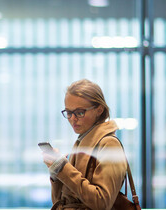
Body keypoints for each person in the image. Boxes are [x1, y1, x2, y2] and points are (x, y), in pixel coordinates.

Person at [42, 79, 127, 210]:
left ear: (99, 110)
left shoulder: (108, 144)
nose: (72, 119)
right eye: (69, 113)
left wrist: (63, 168)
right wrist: (56, 172)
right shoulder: (82, 144)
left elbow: (101, 203)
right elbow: (61, 202)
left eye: (80, 112)